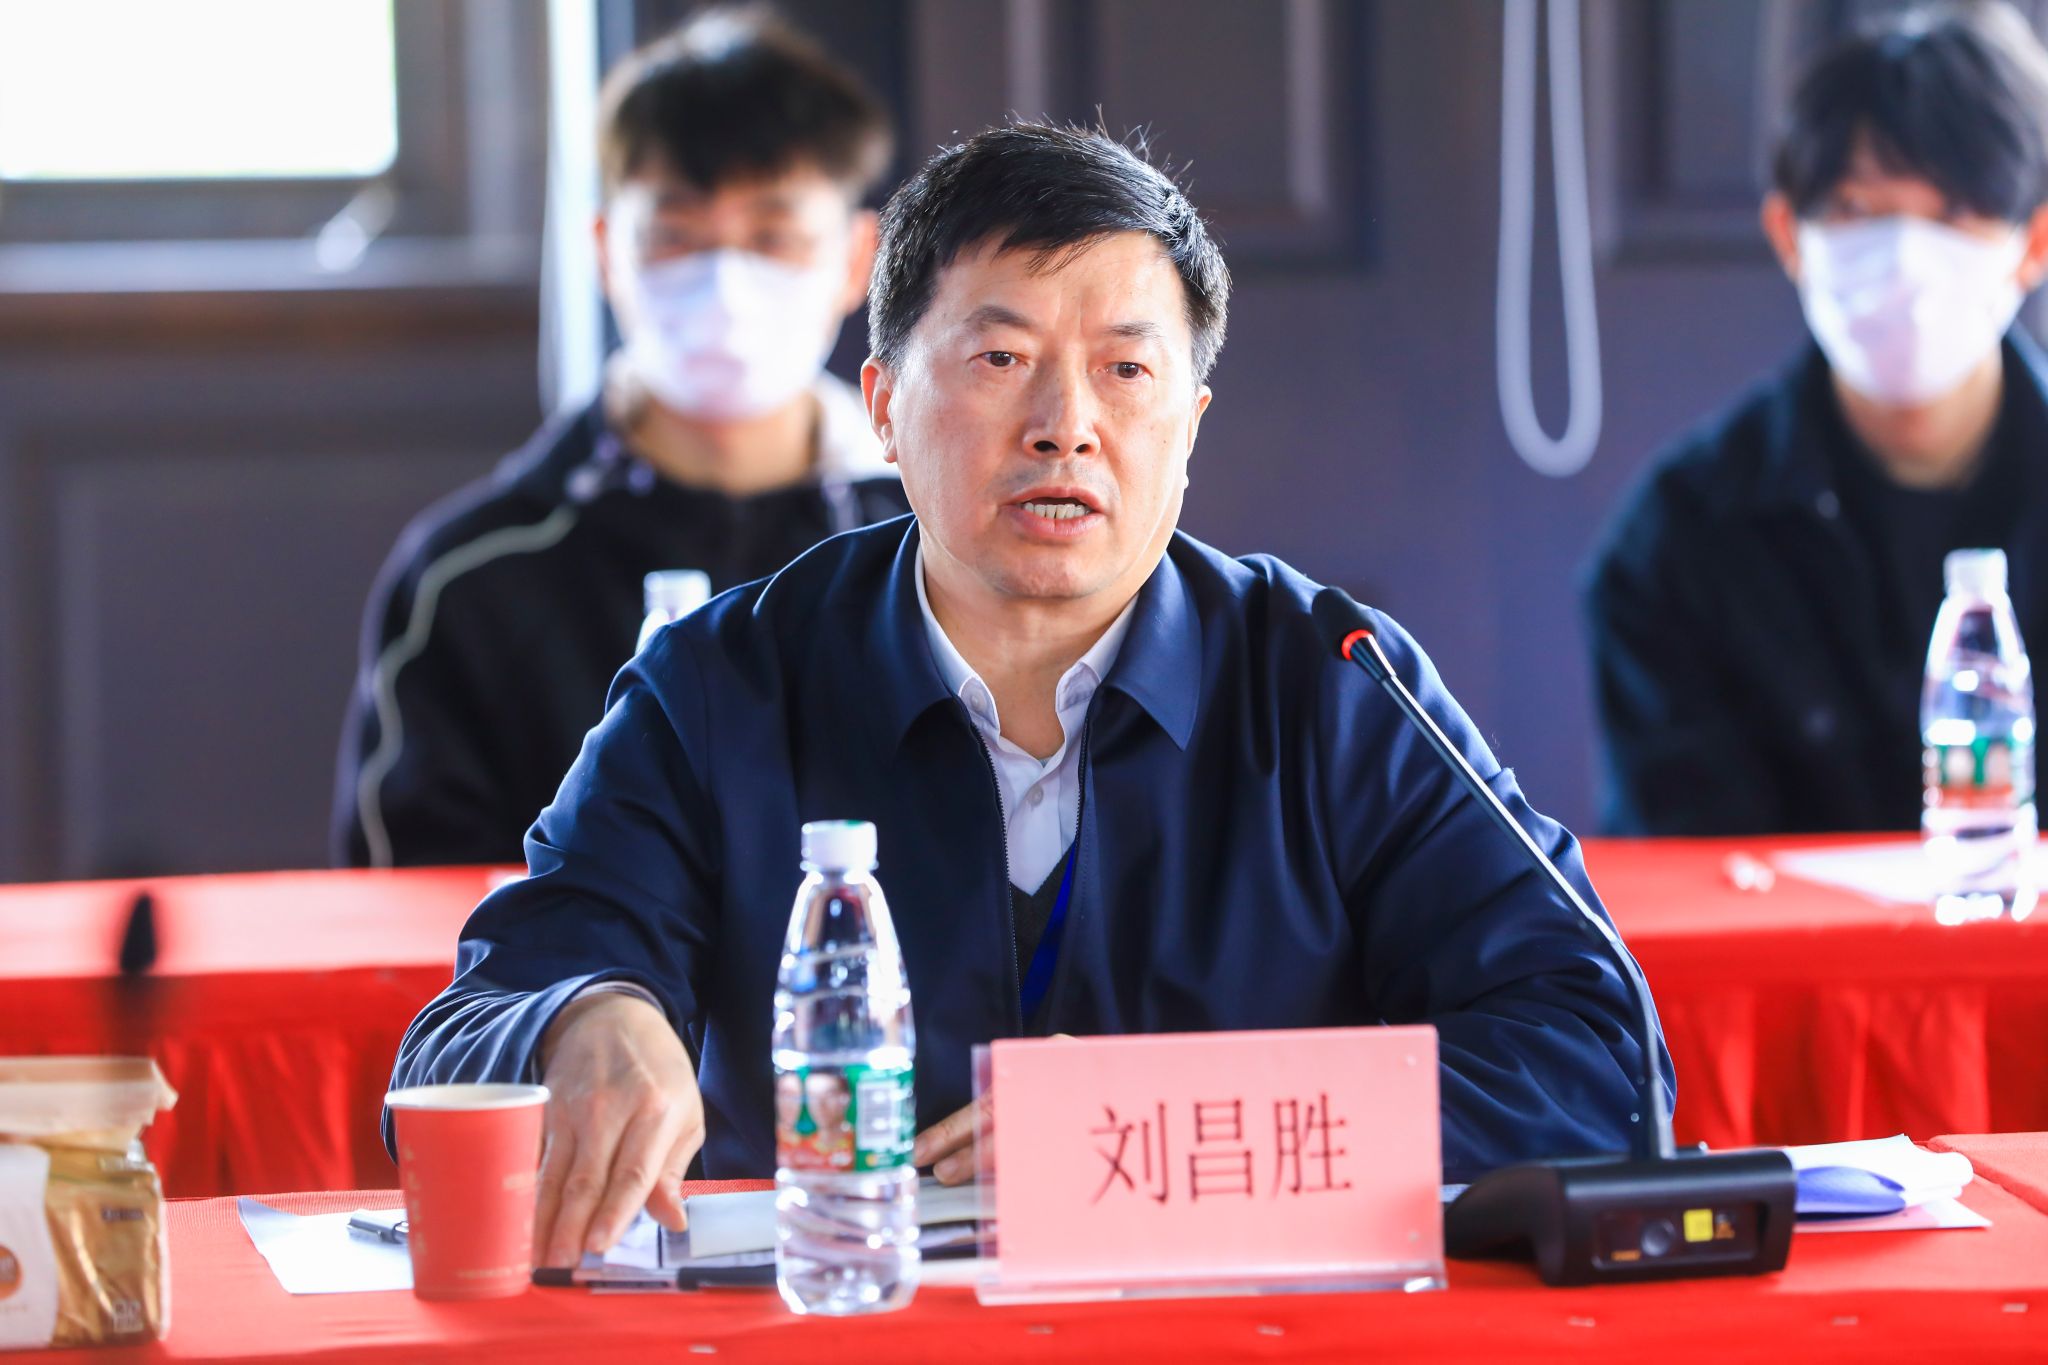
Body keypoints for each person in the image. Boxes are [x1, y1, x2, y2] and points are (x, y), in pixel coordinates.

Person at [390, 122, 1666, 1269]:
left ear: (1189, 424)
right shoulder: (721, 684)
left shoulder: (1331, 682)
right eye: (1000, 358)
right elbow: (463, 1029)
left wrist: (1160, 1128)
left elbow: (1598, 1061)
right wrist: (582, 1018)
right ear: (883, 407)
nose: (1065, 425)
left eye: (1125, 372)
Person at [332, 7, 910, 868]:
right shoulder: (474, 575)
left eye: (774, 237)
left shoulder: (929, 536)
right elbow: (411, 901)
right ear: (607, 252)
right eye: (677, 237)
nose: (726, 283)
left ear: (857, 259)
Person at [1585, 1, 2048, 836]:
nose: (1907, 260)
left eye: (1952, 214)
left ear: (2034, 243)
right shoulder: (1678, 540)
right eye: (1859, 211)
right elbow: (1682, 868)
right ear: (1789, 235)